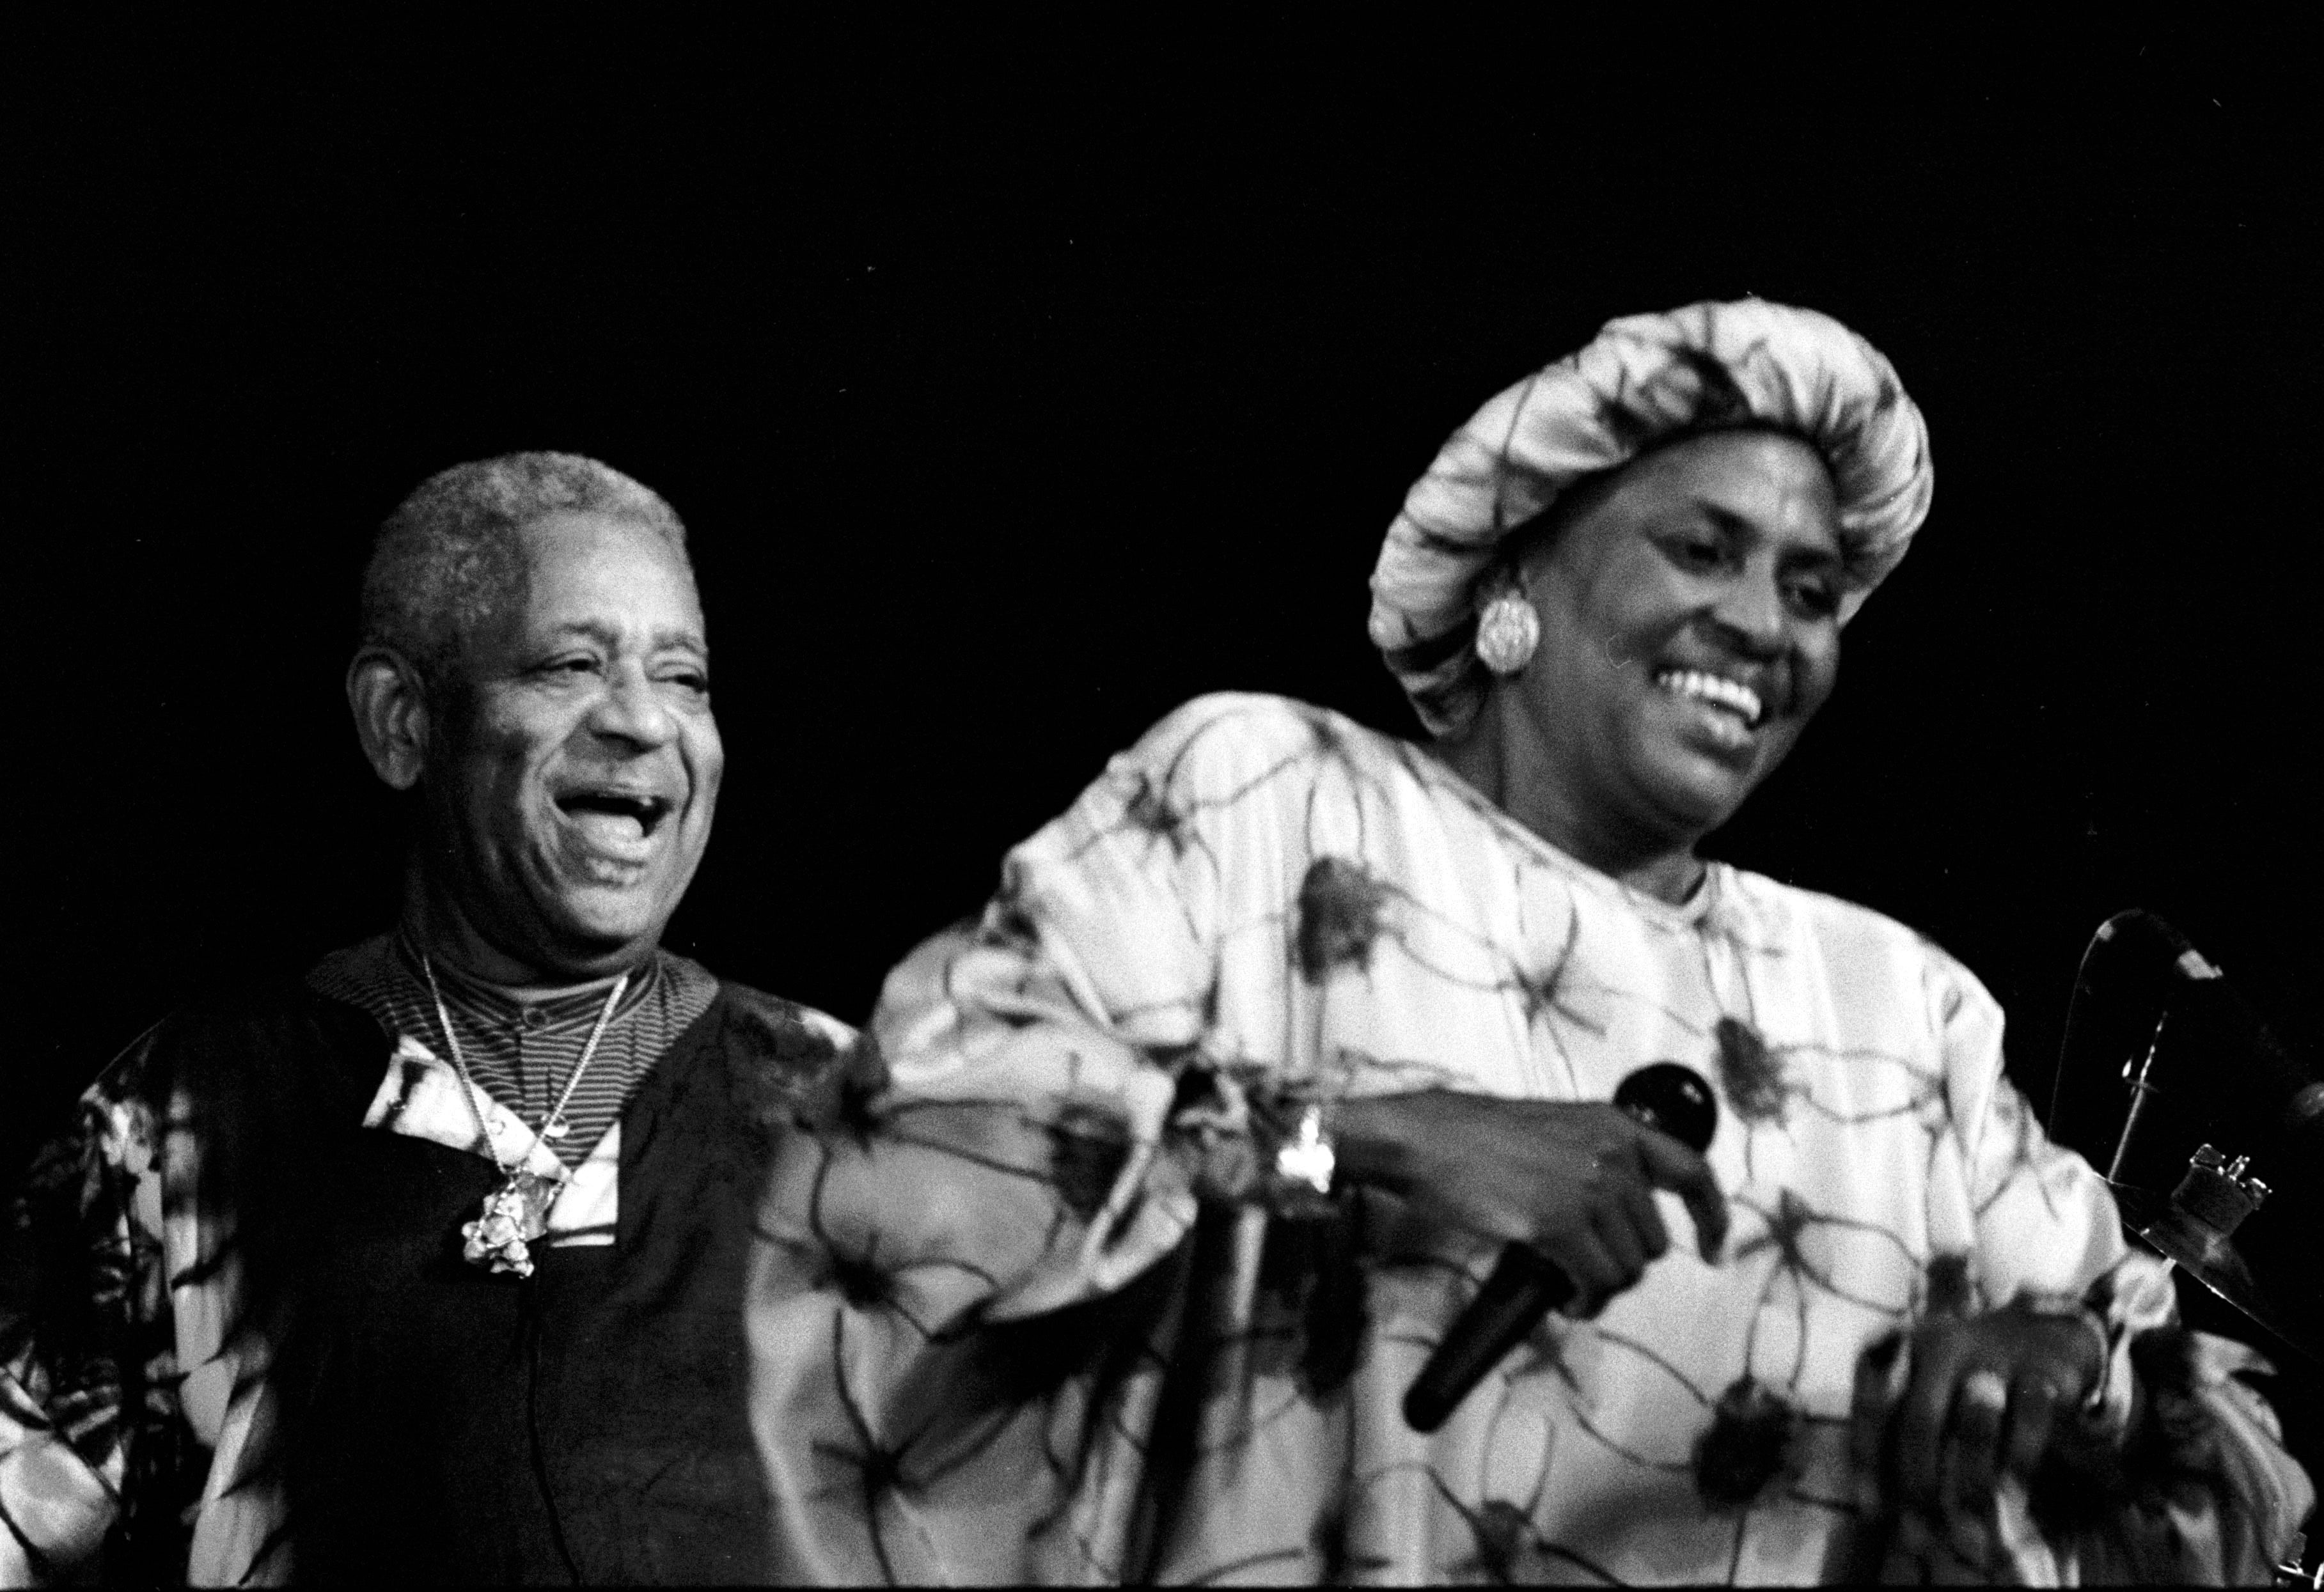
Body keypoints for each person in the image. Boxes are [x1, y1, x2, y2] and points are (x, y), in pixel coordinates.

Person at [746, 302, 2312, 1582]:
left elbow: (2224, 1462)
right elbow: (906, 1152)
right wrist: (1372, 1139)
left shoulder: (1898, 1018)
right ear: (1513, 578)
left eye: (1814, 588)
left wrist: (2063, 1376)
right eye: (1699, 549)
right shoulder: (1268, 807)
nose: (1766, 624)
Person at [0, 454, 857, 1584]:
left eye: (686, 678)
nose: (647, 722)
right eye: (571, 664)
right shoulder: (184, 1118)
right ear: (400, 722)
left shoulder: (851, 1108)